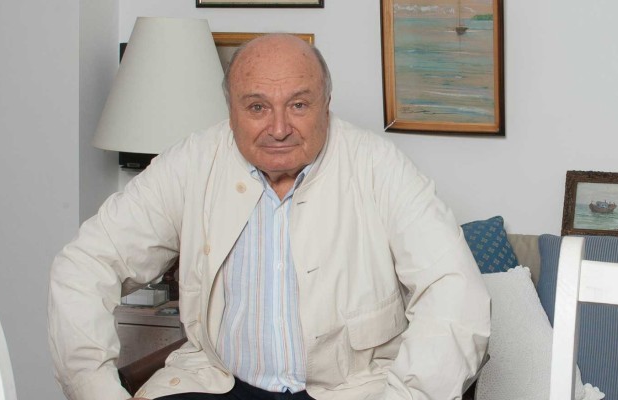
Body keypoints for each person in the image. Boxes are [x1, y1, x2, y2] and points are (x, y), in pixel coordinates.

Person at [48, 34, 490, 400]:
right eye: (257, 107)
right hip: (218, 383)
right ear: (231, 112)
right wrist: (95, 389)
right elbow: (87, 263)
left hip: (352, 389)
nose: (279, 128)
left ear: (326, 103)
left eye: (298, 105)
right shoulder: (192, 162)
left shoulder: (380, 166)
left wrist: (408, 395)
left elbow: (454, 292)